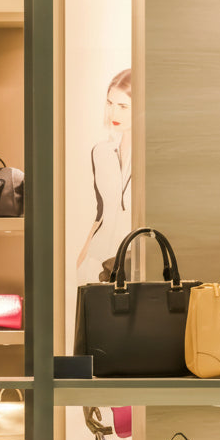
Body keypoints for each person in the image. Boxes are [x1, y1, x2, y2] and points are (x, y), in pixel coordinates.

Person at [76, 69, 132, 282]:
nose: (113, 114)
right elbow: (101, 211)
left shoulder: (149, 156)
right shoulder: (101, 152)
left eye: (123, 106)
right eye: (110, 104)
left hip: (132, 259)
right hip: (97, 259)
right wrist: (82, 257)